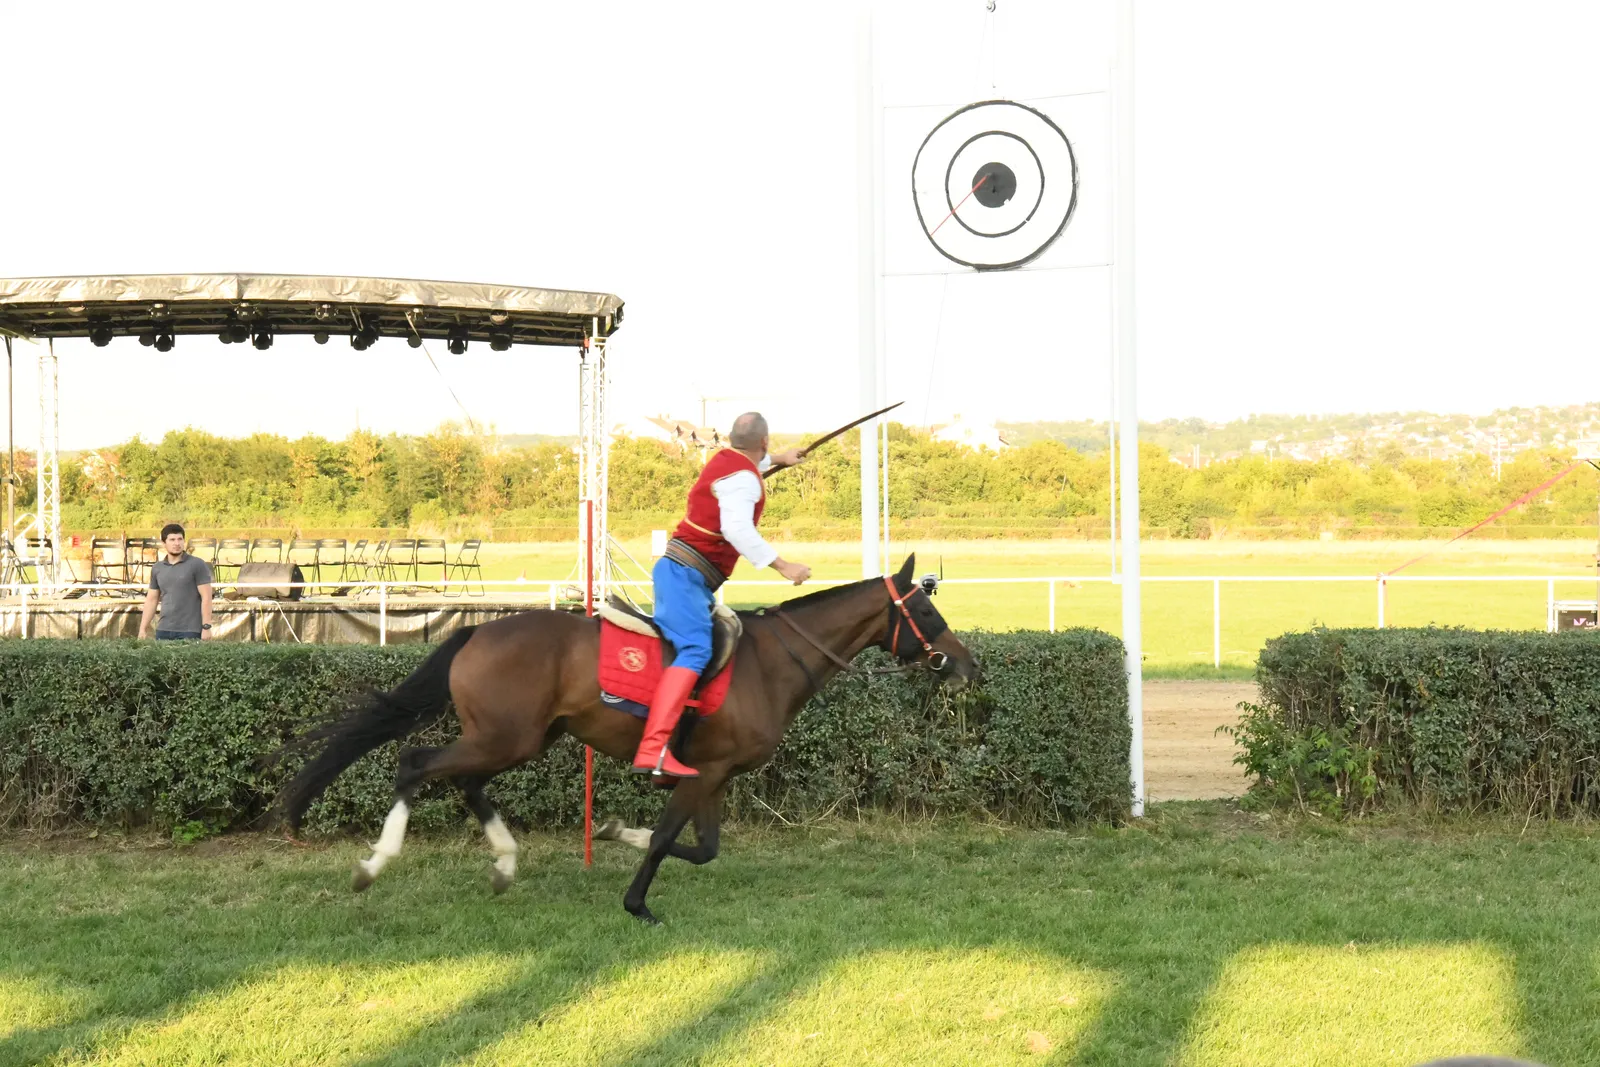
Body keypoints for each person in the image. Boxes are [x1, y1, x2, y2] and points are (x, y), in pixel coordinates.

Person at [634, 411, 811, 780]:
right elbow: (737, 530)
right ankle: (654, 748)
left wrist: (781, 459)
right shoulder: (744, 480)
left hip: (684, 576)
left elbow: (748, 468)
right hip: (685, 579)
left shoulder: (726, 461)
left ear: (733, 440)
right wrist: (783, 566)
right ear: (763, 440)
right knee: (696, 649)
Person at [138, 523, 215, 641]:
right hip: (163, 631)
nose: (177, 543)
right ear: (164, 543)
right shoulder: (157, 568)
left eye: (180, 539)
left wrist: (206, 627)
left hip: (190, 631)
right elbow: (152, 599)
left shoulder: (197, 564)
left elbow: (207, 597)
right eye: (172, 540)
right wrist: (143, 628)